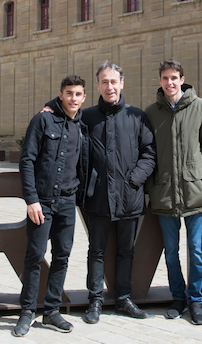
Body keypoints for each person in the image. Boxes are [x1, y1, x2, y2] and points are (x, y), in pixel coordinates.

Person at [62, 60, 156, 324]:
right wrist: (50, 104)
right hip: (98, 197)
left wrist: (134, 181)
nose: (109, 86)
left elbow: (149, 153)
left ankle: (124, 298)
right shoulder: (87, 116)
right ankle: (95, 300)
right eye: (104, 81)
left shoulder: (137, 116)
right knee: (97, 251)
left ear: (122, 83)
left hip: (130, 197)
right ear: (98, 85)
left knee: (126, 251)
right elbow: (65, 109)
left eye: (114, 81)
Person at [13, 75, 89, 337]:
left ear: (83, 97)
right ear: (60, 95)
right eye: (68, 93)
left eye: (78, 94)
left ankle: (52, 312)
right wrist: (31, 199)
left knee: (62, 256)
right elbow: (27, 160)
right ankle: (26, 312)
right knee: (34, 256)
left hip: (68, 202)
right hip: (42, 202)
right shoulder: (42, 120)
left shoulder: (82, 125)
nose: (73, 98)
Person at [145, 60, 202, 325]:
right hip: (164, 193)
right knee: (171, 251)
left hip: (195, 192)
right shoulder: (152, 112)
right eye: (165, 78)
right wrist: (152, 186)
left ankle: (195, 300)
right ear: (161, 81)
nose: (170, 82)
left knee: (196, 250)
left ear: (182, 79)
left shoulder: (200, 107)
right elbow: (147, 152)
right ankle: (178, 297)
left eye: (174, 77)